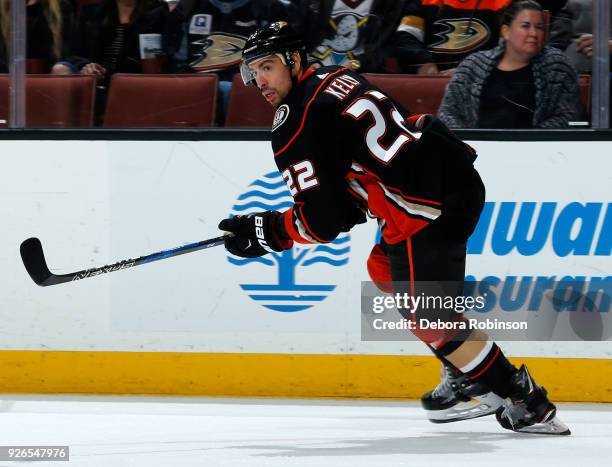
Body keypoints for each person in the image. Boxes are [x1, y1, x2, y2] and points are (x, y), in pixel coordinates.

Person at [217, 21, 570, 435]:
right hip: (449, 177)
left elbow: (324, 221)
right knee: (384, 270)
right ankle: (465, 370)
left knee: (431, 320)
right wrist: (281, 224)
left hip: (426, 210)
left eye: (266, 67)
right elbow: (349, 195)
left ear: (293, 61)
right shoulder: (338, 77)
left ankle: (526, 401)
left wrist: (268, 232)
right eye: (252, 71)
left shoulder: (293, 123)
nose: (259, 80)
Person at [438, 0, 582, 129]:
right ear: (506, 31)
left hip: (537, 151)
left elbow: (568, 117)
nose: (534, 33)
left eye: (539, 27)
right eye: (525, 26)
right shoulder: (473, 66)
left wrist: (529, 140)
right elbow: (447, 114)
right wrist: (471, 140)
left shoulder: (558, 67)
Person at [162, 0, 293, 120]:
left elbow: (283, 67)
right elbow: (177, 68)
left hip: (253, 101)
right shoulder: (188, 8)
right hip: (197, 103)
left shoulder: (270, 9)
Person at [51, 0, 168, 82]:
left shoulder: (156, 12)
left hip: (130, 81)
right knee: (60, 69)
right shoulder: (91, 13)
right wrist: (88, 66)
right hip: (90, 78)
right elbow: (72, 53)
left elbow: (150, 60)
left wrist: (105, 74)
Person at [290, 0, 410, 73]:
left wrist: (359, 64)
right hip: (313, 73)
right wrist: (308, 63)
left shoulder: (392, 4)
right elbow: (294, 37)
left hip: (361, 78)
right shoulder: (312, 4)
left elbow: (389, 47)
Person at [395, 0, 512, 74]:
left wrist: (469, 71)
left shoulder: (504, 3)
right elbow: (406, 35)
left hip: (482, 83)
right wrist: (423, 63)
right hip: (431, 82)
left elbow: (511, 48)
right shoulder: (423, 2)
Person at [0, 0, 74, 73]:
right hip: (8, 75)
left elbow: (67, 51)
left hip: (48, 74)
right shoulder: (3, 10)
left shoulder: (61, 7)